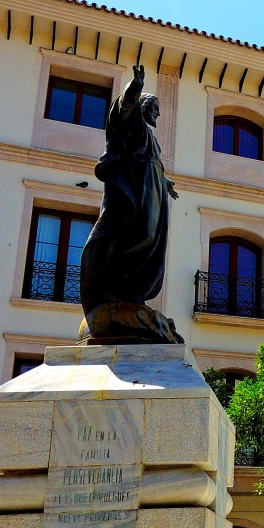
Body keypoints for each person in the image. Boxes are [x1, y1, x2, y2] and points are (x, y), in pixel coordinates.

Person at [79, 64, 182, 343]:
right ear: (144, 107)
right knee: (142, 233)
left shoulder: (152, 139)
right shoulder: (134, 124)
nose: (158, 114)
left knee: (151, 240)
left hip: (154, 190)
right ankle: (115, 287)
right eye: (155, 108)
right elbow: (123, 111)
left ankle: (130, 295)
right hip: (137, 196)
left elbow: (155, 166)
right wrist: (135, 87)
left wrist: (166, 183)